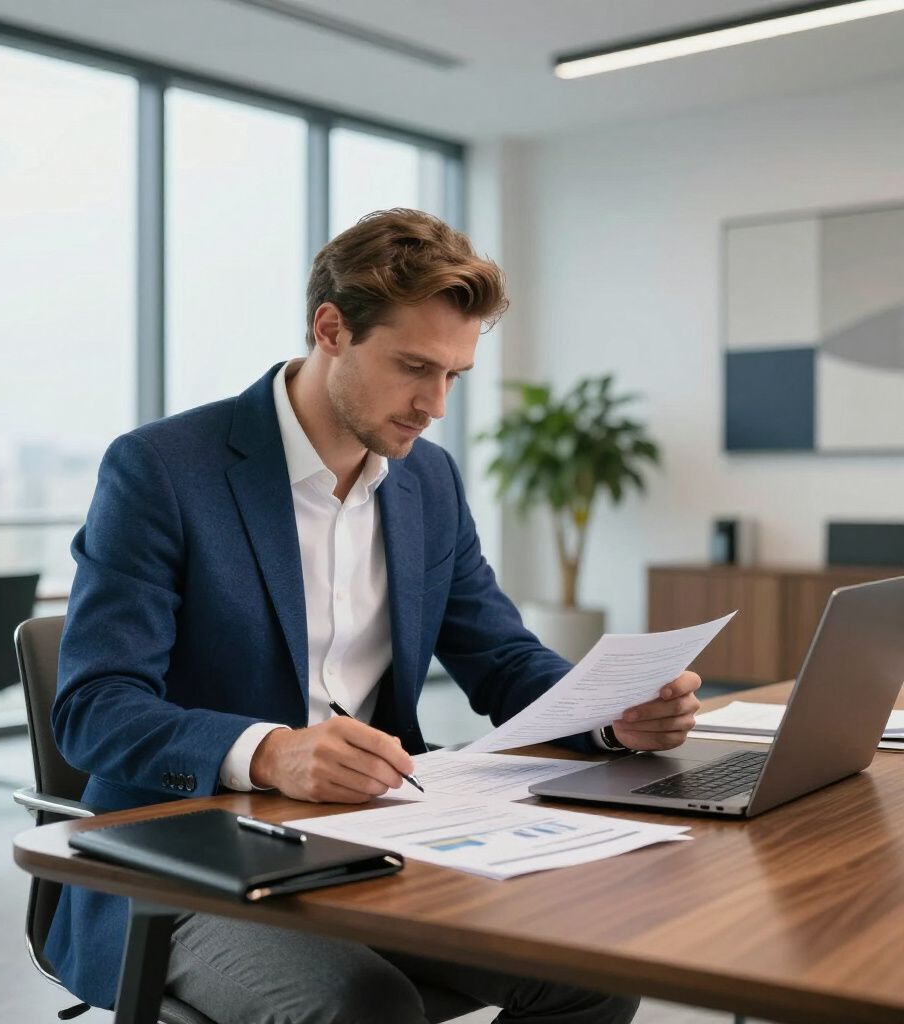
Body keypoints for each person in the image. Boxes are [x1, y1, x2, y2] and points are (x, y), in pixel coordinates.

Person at [47, 208, 700, 1023]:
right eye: (414, 367)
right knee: (367, 1005)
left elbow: (499, 657)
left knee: (594, 965)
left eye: (455, 374)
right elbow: (93, 707)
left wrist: (612, 712)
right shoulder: (162, 470)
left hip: (381, 840)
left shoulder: (428, 482)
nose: (434, 404)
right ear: (331, 329)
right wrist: (272, 753)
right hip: (185, 860)